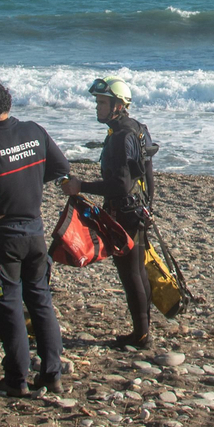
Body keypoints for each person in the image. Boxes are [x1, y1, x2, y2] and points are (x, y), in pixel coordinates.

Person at [0, 78, 69, 398]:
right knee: (41, 302)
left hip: (5, 238)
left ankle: (16, 378)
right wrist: (31, 184)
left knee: (8, 305)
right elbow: (61, 166)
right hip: (35, 233)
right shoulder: (33, 130)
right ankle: (52, 374)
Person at [62, 76, 156, 349]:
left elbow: (119, 185)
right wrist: (149, 204)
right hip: (137, 210)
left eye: (102, 102)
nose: (97, 107)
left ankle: (141, 335)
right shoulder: (137, 128)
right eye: (97, 102)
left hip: (124, 213)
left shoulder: (119, 138)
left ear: (118, 105)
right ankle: (143, 330)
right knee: (138, 270)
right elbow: (148, 170)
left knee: (131, 274)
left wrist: (82, 186)